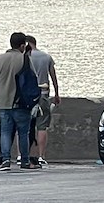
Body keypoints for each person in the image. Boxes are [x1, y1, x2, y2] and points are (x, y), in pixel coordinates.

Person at [0, 32, 40, 171]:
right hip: (20, 102)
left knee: (5, 131)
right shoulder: (25, 59)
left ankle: (5, 160)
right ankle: (24, 160)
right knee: (23, 133)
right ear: (22, 45)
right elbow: (33, 80)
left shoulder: (0, 59)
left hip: (3, 102)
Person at [25, 35, 60, 165]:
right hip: (43, 95)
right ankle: (41, 156)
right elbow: (53, 76)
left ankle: (20, 155)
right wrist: (56, 93)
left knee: (23, 126)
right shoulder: (46, 57)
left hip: (27, 97)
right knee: (42, 126)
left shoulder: (24, 57)